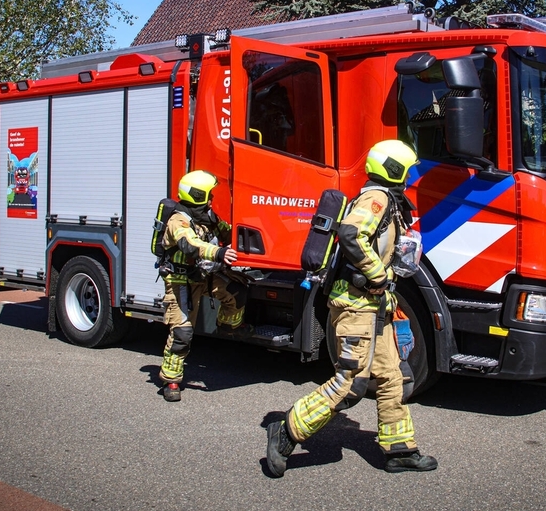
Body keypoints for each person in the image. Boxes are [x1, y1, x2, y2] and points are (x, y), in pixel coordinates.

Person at [265, 140, 438, 476]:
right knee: (351, 383)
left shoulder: (387, 200)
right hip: (355, 305)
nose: (409, 176)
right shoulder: (378, 198)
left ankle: (400, 450)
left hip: (373, 304)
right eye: (406, 169)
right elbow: (351, 233)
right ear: (393, 169)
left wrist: (385, 292)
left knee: (394, 377)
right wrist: (376, 275)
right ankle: (287, 431)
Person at [158, 170, 250, 402]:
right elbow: (190, 244)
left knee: (237, 294)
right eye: (208, 195)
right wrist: (218, 252)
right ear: (198, 195)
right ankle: (171, 379)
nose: (211, 200)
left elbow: (227, 232)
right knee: (182, 332)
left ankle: (226, 326)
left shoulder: (207, 216)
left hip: (203, 274)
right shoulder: (178, 220)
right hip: (181, 281)